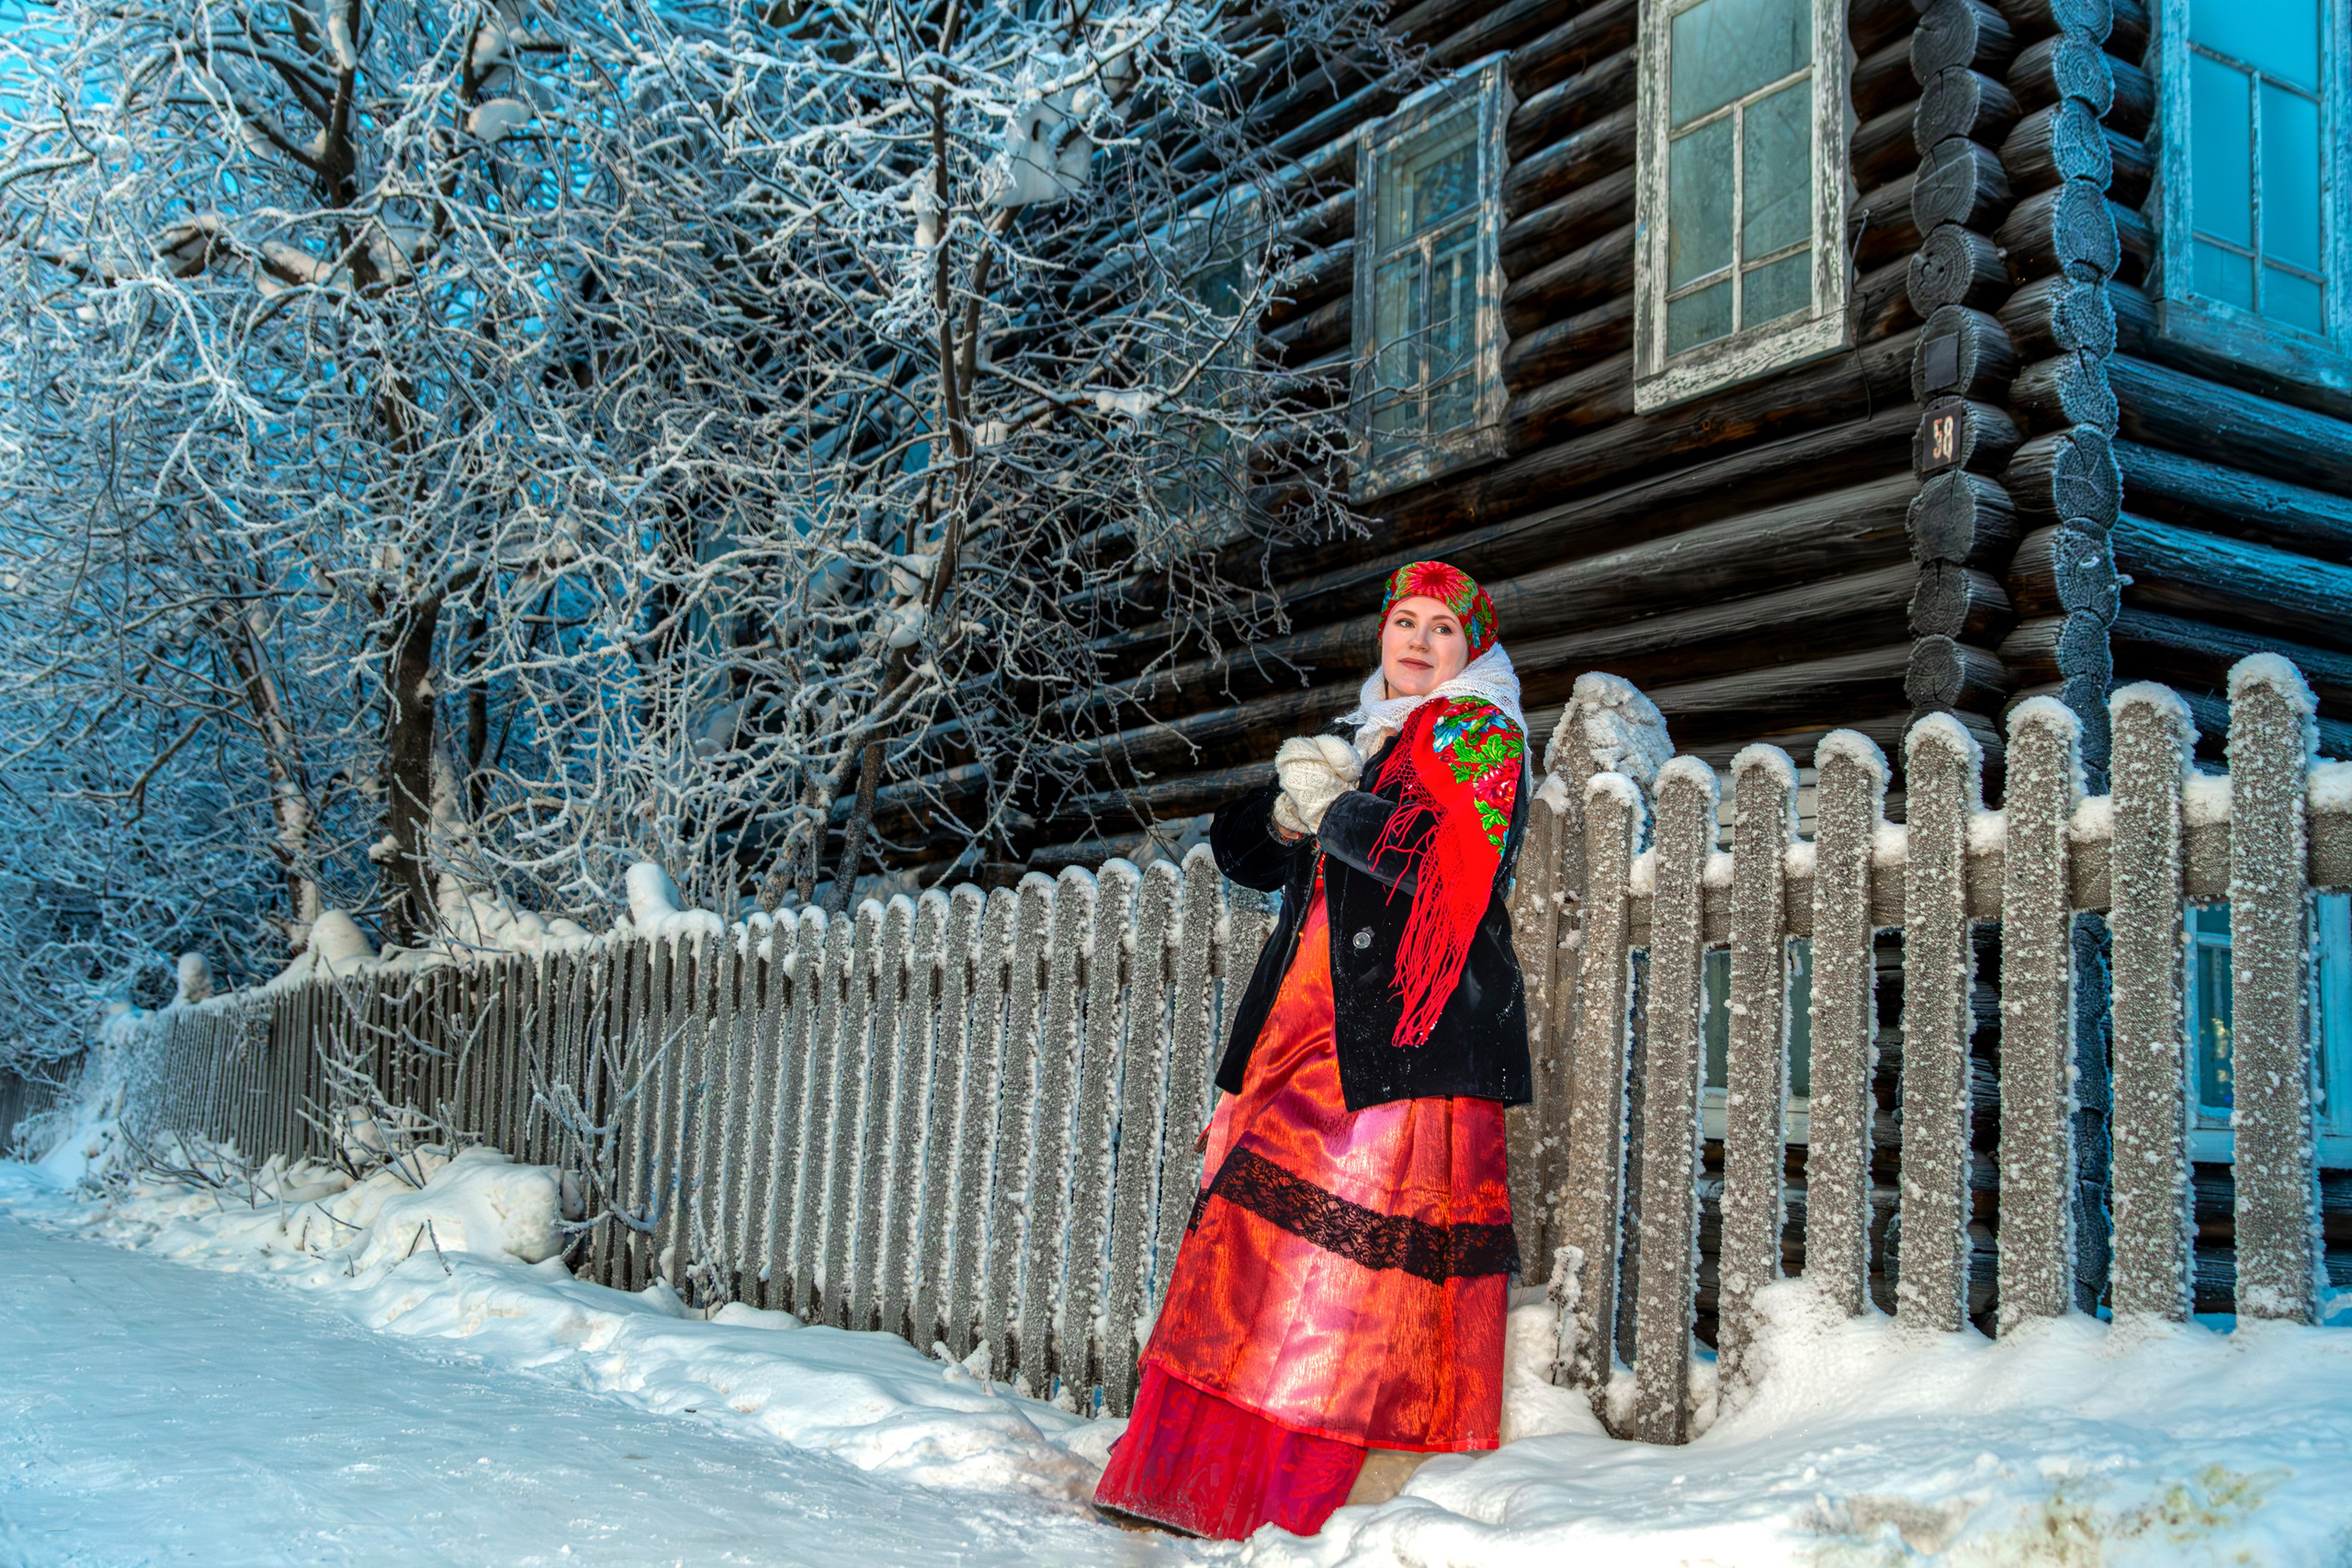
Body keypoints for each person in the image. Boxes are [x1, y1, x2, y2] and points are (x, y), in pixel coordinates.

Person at [1093, 559, 1533, 1540]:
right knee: (1245, 1255)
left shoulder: (1479, 734)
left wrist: (1334, 812)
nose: (1417, 641)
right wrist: (1285, 810)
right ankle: (1193, 1484)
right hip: (1298, 1033)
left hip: (1396, 1045)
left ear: (1475, 651)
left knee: (1337, 1281)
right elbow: (1246, 856)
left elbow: (1446, 862)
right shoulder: (1359, 735)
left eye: (1442, 630)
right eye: (1404, 622)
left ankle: (1297, 1503)